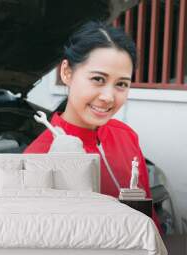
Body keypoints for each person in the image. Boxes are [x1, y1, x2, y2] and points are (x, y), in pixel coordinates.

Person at [24, 21, 162, 233]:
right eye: (98, 79)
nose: (108, 97)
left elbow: (148, 216)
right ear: (67, 73)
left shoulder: (125, 136)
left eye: (121, 84)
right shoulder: (39, 156)